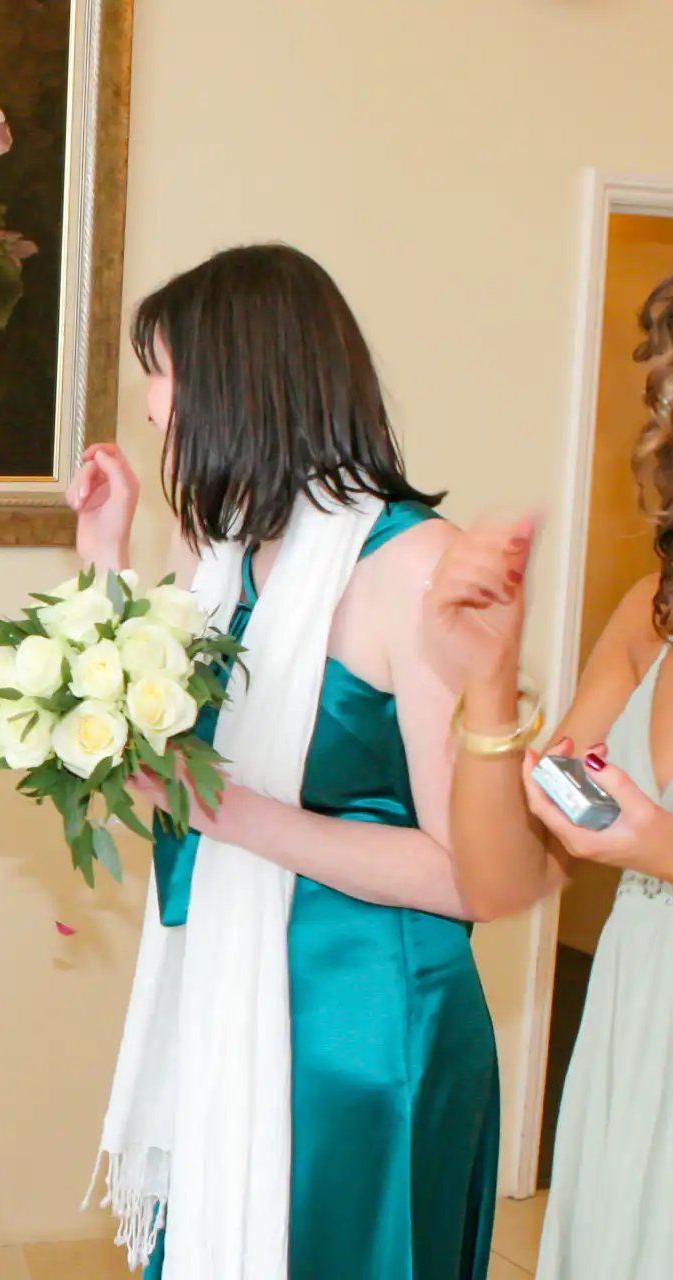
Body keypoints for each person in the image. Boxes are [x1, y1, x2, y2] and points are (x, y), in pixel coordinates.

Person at [77, 244, 498, 1278]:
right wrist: (102, 552)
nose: (151, 408)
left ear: (236, 379)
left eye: (161, 373)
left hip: (366, 1030)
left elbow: (467, 874)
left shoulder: (420, 570)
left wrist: (229, 813)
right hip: (236, 992)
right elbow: (156, 740)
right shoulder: (221, 549)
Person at [424, 273, 673, 1279]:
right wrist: (491, 676)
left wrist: (657, 845)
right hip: (642, 998)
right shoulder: (651, 610)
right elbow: (516, 857)